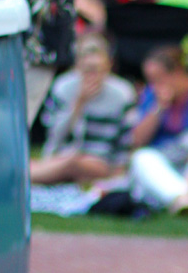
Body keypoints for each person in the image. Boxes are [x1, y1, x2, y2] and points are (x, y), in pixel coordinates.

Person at [129, 46, 188, 212]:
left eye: (160, 79)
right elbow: (137, 141)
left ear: (177, 72)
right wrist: (159, 107)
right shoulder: (152, 95)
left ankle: (182, 197)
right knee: (141, 158)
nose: (156, 85)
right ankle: (182, 197)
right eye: (151, 80)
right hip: (168, 167)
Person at [31, 33, 135, 185]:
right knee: (67, 160)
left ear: (108, 65)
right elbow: (54, 136)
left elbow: (126, 140)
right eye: (87, 70)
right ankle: (36, 174)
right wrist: (79, 104)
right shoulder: (63, 87)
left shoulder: (122, 94)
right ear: (77, 65)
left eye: (96, 69)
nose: (92, 76)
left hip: (101, 161)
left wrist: (118, 172)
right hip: (62, 156)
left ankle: (26, 180)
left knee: (73, 162)